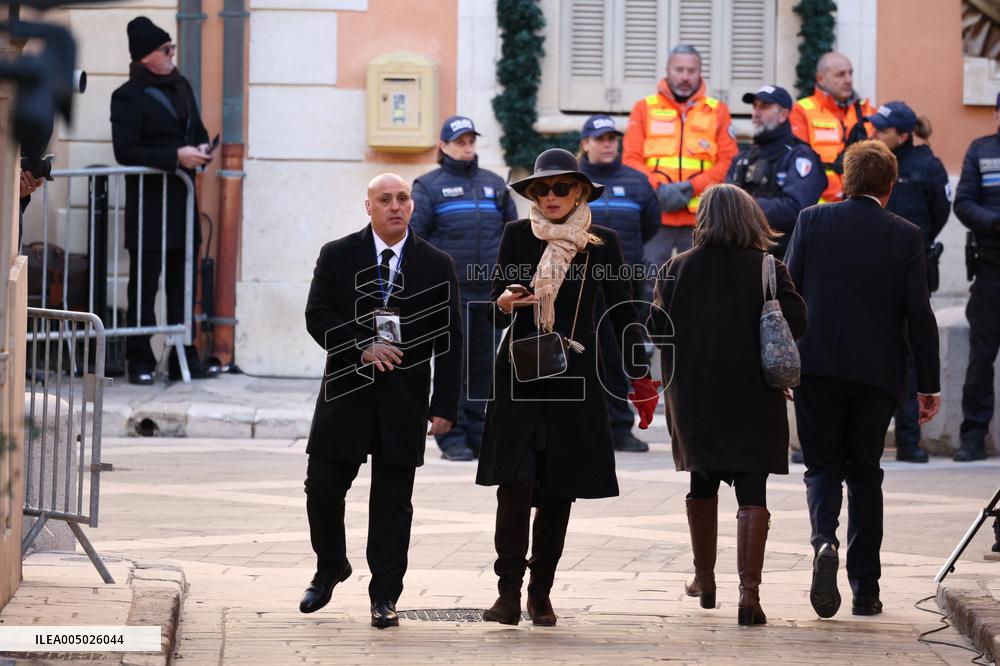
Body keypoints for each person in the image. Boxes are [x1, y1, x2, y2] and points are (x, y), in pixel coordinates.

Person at [476, 149, 660, 627]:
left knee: (559, 490)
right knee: (514, 486)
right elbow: (496, 302)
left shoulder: (602, 243)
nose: (552, 196)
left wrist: (641, 375)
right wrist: (505, 301)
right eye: (542, 189)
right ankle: (507, 593)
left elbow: (624, 313)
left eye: (561, 188)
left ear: (579, 191)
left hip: (574, 378)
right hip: (520, 374)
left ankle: (541, 592)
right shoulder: (518, 235)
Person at [299, 173, 463, 628]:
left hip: (404, 399)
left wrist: (446, 404)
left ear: (412, 207)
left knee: (393, 503)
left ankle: (385, 595)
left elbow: (452, 339)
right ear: (367, 207)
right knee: (323, 488)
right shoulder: (338, 255)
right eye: (385, 199)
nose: (395, 206)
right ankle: (330, 565)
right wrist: (360, 347)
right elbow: (317, 315)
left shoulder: (436, 263)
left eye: (403, 198)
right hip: (346, 392)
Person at [786, 140, 941, 619]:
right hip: (876, 375)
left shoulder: (812, 220)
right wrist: (928, 384)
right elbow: (919, 313)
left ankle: (823, 542)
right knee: (866, 475)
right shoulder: (906, 234)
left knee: (821, 467)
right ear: (889, 188)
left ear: (845, 180)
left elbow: (789, 292)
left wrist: (785, 361)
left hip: (816, 368)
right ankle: (866, 589)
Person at [648, 183, 807, 626]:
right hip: (753, 395)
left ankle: (704, 579)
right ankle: (749, 595)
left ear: (703, 220)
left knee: (702, 483)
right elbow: (797, 321)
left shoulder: (675, 268)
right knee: (752, 491)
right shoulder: (769, 268)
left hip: (696, 397)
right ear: (751, 218)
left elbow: (656, 330)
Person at [110, 16, 219, 385]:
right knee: (144, 287)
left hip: (182, 206)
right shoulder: (127, 96)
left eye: (172, 47)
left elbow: (197, 130)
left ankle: (181, 356)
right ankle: (139, 359)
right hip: (150, 209)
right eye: (165, 49)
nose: (172, 54)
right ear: (145, 57)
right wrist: (176, 156)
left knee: (183, 285)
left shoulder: (181, 86)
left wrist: (201, 149)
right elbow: (126, 151)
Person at [410, 115, 518, 462]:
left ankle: (477, 430)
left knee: (484, 364)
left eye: (471, 141)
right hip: (450, 293)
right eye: (460, 142)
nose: (467, 148)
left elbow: (511, 234)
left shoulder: (494, 184)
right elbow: (416, 239)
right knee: (452, 363)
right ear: (443, 146)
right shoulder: (428, 186)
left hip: (489, 292)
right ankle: (451, 433)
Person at [868, 101, 951, 463]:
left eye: (882, 129)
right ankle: (867, 436)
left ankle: (909, 439)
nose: (875, 133)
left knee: (911, 353)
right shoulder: (872, 159)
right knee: (869, 351)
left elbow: (941, 211)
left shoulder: (928, 166)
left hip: (911, 270)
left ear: (903, 135)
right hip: (870, 270)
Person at [623, 44, 737, 289]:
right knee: (648, 287)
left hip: (701, 220)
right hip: (656, 217)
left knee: (699, 286)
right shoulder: (644, 108)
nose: (685, 76)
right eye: (680, 69)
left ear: (700, 73)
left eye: (691, 70)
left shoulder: (718, 111)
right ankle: (646, 329)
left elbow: (728, 161)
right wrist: (660, 189)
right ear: (667, 70)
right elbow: (631, 159)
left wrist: (691, 188)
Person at [578, 114, 659, 452]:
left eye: (612, 138)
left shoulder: (638, 182)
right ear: (585, 144)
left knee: (625, 352)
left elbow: (650, 225)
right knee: (587, 355)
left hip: (626, 282)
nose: (608, 144)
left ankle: (620, 426)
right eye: (600, 139)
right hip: (583, 283)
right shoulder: (574, 182)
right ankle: (589, 424)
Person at [726, 85, 826, 260]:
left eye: (764, 107)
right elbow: (725, 204)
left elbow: (796, 209)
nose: (756, 113)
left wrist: (742, 207)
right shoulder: (743, 158)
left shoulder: (800, 156)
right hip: (742, 257)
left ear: (783, 115)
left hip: (785, 259)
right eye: (754, 106)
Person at [954, 92, 1000, 462]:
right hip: (992, 269)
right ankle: (973, 436)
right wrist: (995, 222)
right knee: (980, 358)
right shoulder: (981, 150)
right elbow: (963, 201)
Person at [790, 52, 876, 203]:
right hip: (822, 206)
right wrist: (839, 194)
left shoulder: (867, 111)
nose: (848, 80)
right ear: (820, 79)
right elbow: (800, 163)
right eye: (840, 75)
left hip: (864, 203)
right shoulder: (802, 110)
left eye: (850, 73)